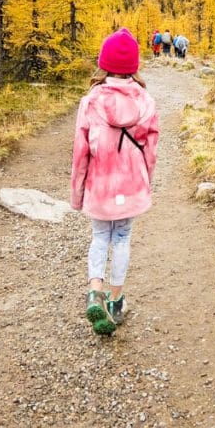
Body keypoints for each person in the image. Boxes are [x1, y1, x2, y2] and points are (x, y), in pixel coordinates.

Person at [70, 28, 159, 335]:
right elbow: (151, 150)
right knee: (122, 237)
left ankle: (95, 290)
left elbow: (80, 153)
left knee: (99, 237)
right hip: (131, 183)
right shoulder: (146, 101)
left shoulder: (91, 100)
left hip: (100, 185)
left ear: (104, 63)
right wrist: (146, 182)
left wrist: (77, 194)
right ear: (133, 66)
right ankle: (117, 301)